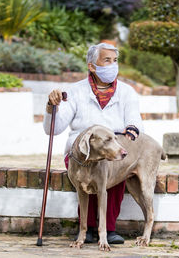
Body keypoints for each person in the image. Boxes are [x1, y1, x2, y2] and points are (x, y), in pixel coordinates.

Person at [43, 43, 143, 244]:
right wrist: (51, 107)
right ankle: (86, 228)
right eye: (107, 60)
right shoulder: (75, 91)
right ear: (92, 66)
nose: (112, 65)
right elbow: (53, 129)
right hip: (81, 152)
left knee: (113, 167)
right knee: (84, 174)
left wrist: (130, 133)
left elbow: (134, 121)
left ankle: (109, 228)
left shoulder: (126, 92)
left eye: (115, 61)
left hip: (111, 147)